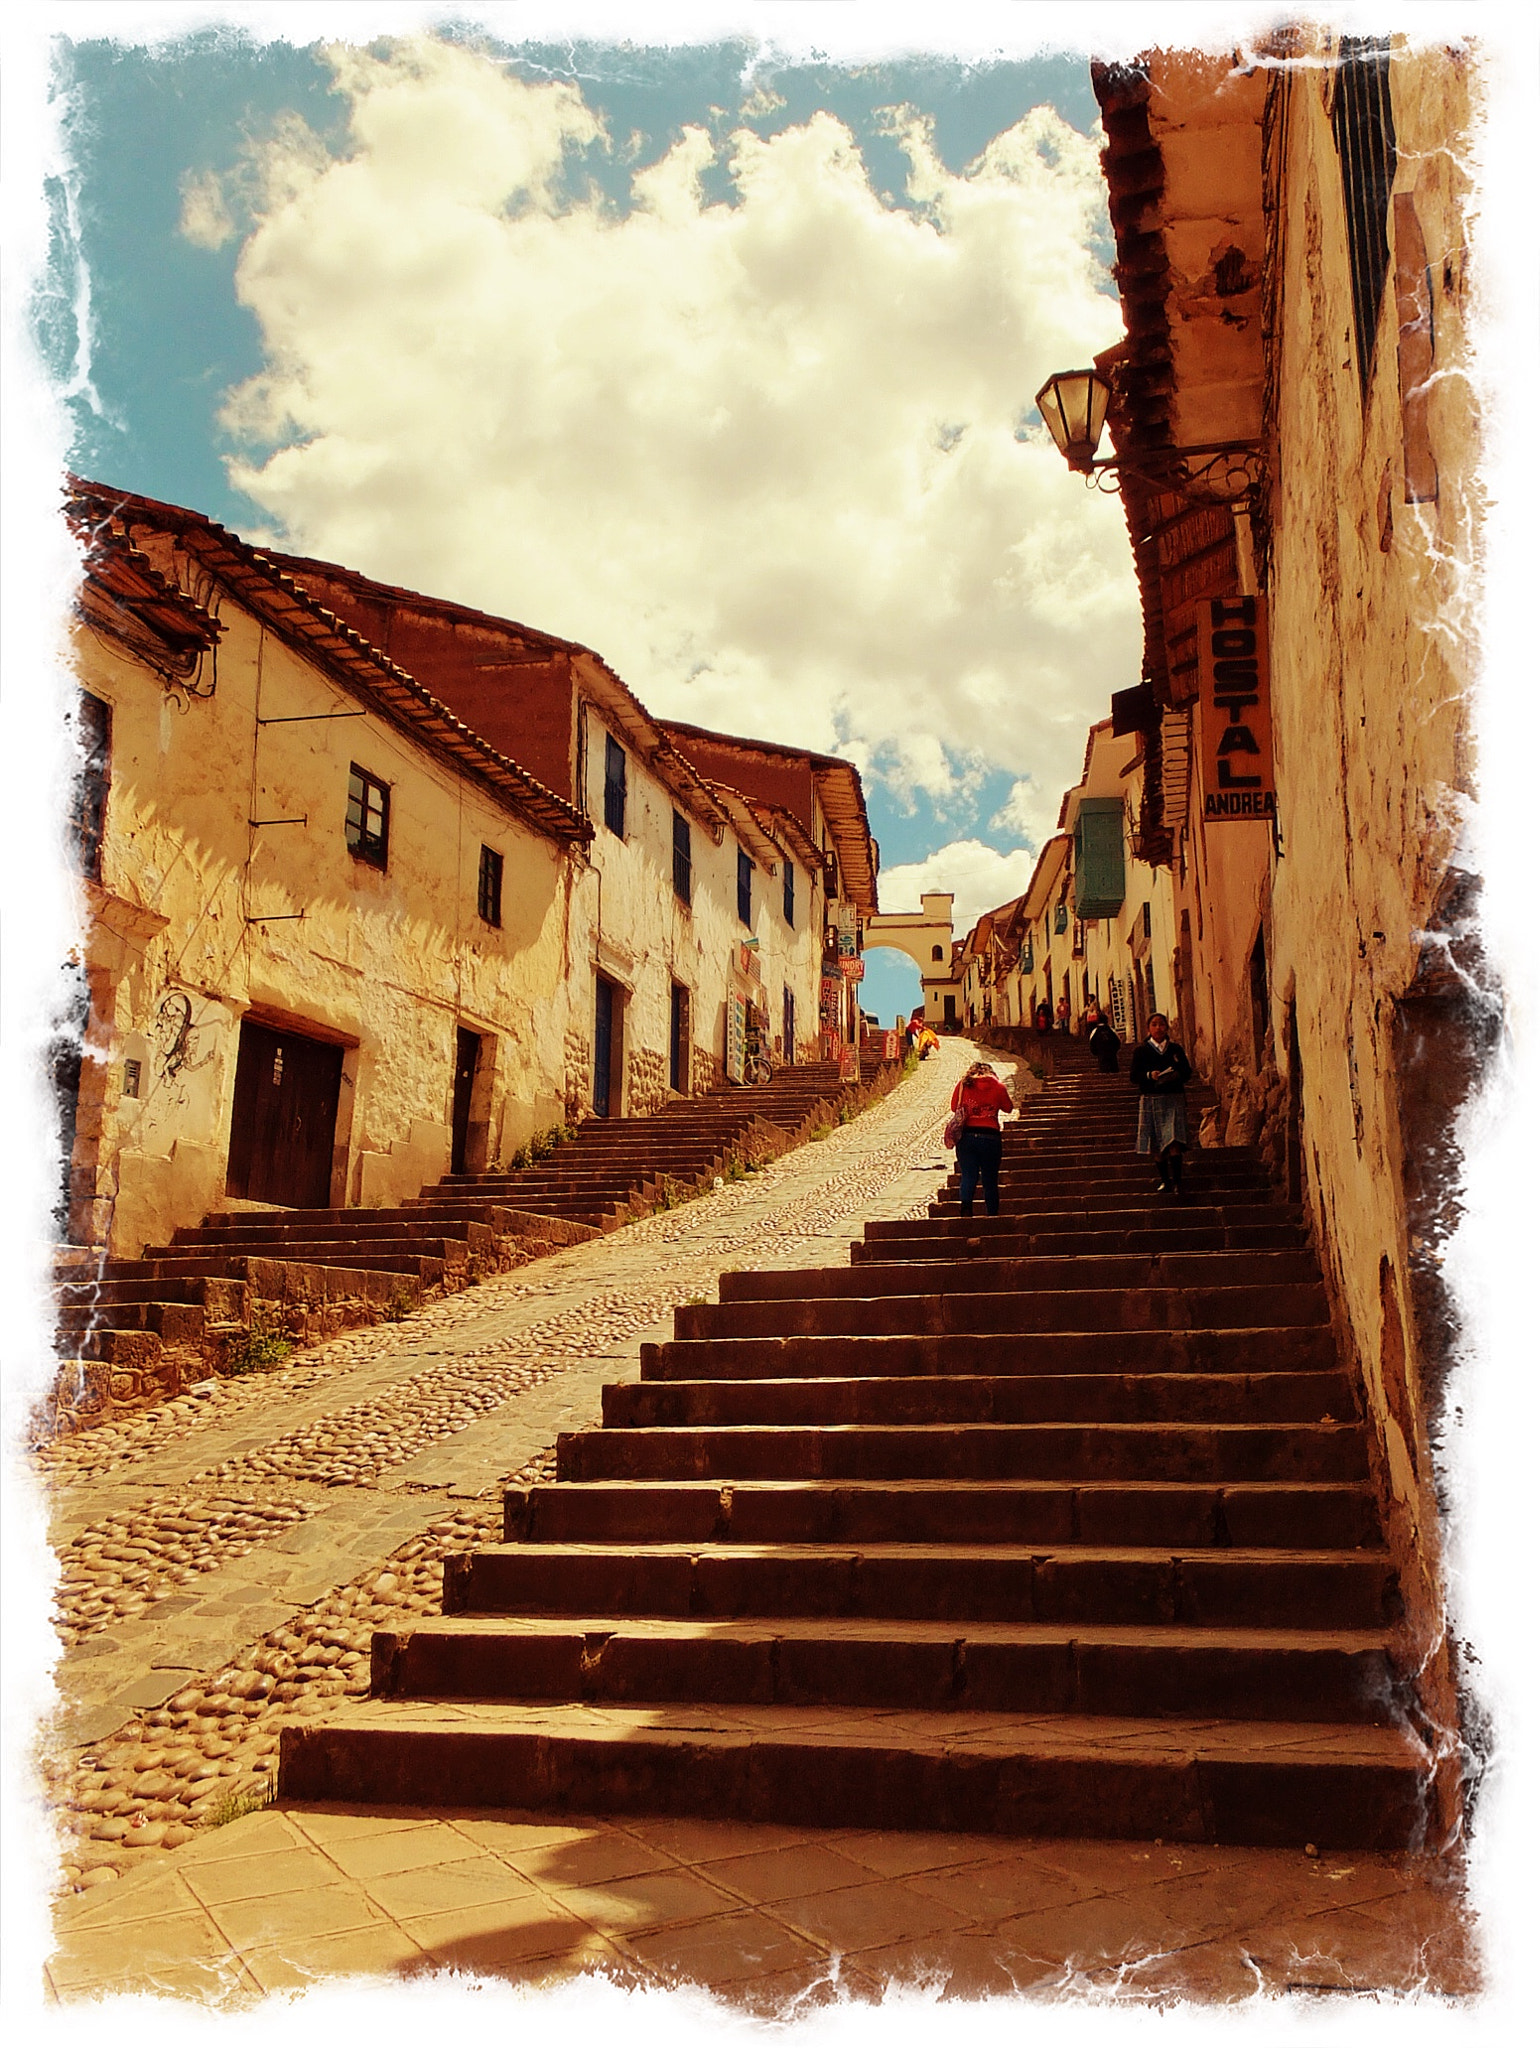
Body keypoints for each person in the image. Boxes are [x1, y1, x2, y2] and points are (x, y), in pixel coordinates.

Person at [1130, 1012, 1192, 1193]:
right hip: (1151, 1099)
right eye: (1154, 1024)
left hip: (1173, 1097)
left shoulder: (1175, 1050)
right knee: (1156, 1143)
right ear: (1149, 1028)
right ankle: (1165, 1180)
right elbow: (1134, 1076)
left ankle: (1178, 1181)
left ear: (1167, 1027)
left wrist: (1177, 1075)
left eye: (1162, 1024)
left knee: (1173, 1140)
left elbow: (1187, 1071)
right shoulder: (1141, 1051)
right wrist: (1150, 1075)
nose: (1158, 1028)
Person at [949, 1059, 1015, 1217]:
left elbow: (953, 1107)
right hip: (991, 1136)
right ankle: (992, 1213)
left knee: (968, 1174)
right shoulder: (998, 1086)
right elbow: (1008, 1108)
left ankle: (966, 1209)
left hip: (967, 1136)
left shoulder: (963, 1085)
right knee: (990, 1178)